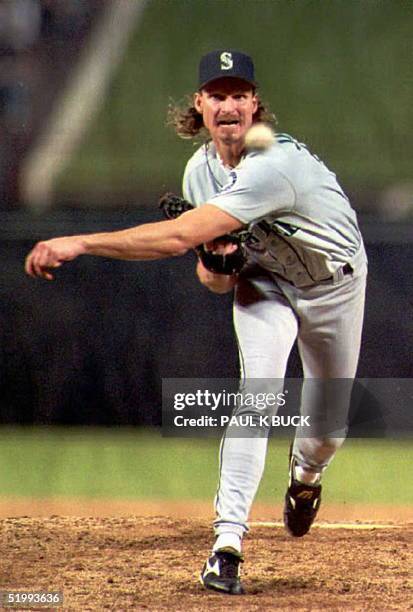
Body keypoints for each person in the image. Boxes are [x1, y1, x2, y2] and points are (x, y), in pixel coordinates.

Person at [25, 49, 367, 596]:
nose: (228, 105)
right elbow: (214, 280)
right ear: (200, 105)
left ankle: (306, 476)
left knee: (326, 431)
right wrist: (219, 260)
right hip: (268, 283)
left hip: (334, 286)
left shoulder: (275, 163)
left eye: (238, 94)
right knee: (256, 397)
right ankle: (227, 545)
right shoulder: (200, 172)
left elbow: (178, 237)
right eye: (217, 94)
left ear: (255, 105)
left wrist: (81, 241)